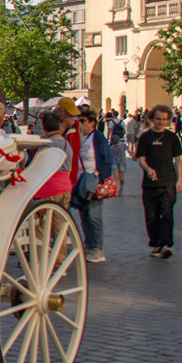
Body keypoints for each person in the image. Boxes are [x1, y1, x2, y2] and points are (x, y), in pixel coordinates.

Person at [134, 105, 182, 258]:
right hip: (150, 184)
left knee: (167, 213)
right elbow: (141, 159)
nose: (161, 122)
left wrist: (180, 179)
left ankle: (167, 244)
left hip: (168, 181)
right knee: (151, 216)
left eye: (164, 119)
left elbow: (178, 160)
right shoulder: (145, 138)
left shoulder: (172, 137)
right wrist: (148, 169)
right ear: (151, 119)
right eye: (158, 119)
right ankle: (156, 243)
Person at [69, 106, 114, 263]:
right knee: (84, 214)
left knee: (94, 215)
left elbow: (106, 159)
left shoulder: (98, 137)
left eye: (84, 121)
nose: (81, 124)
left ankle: (98, 248)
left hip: (92, 180)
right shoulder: (80, 137)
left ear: (93, 123)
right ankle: (89, 245)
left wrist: (100, 179)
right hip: (81, 181)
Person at [30, 110, 75, 208]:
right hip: (64, 187)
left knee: (45, 222)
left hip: (48, 188)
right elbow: (69, 169)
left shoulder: (45, 145)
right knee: (59, 222)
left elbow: (38, 169)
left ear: (43, 127)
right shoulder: (66, 144)